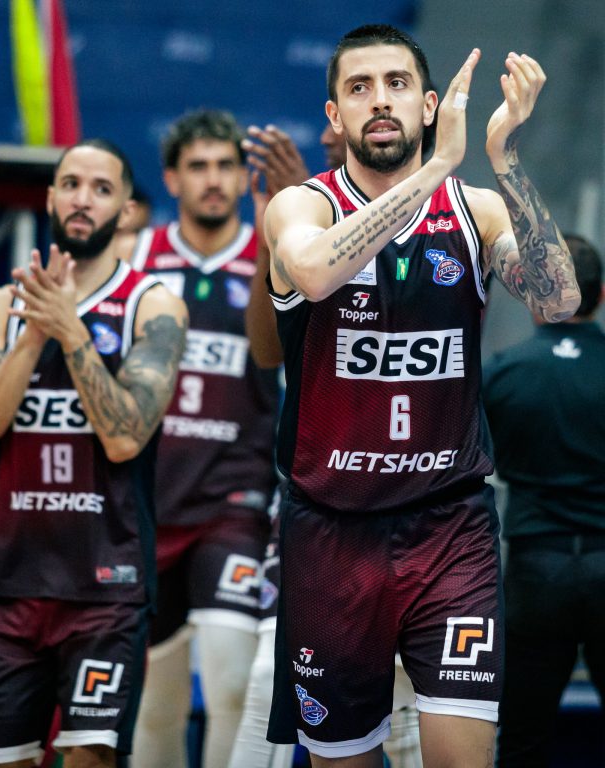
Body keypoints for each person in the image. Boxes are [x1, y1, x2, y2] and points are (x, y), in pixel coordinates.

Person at [262, 23, 580, 768]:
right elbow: (313, 274)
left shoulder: (475, 210)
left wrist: (503, 158)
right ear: (335, 114)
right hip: (332, 533)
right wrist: (435, 166)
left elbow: (560, 300)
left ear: (430, 104)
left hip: (450, 528)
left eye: (397, 84)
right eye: (360, 88)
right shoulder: (301, 207)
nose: (380, 101)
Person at [0, 138, 187, 768]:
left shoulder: (153, 305)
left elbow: (124, 437)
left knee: (89, 760)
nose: (84, 199)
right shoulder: (1, 307)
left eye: (102, 188)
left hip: (106, 588)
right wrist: (35, 333)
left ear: (128, 211)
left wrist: (70, 328)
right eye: (71, 184)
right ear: (51, 197)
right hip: (11, 585)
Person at [233, 123, 421, 768]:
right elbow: (266, 351)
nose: (334, 136)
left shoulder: (446, 216)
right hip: (321, 502)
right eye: (349, 98)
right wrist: (275, 240)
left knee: (409, 704)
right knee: (270, 682)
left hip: (420, 498)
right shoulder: (305, 213)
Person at [125, 109, 281, 768]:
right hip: (150, 503)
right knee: (153, 704)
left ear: (243, 177)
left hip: (235, 500)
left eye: (225, 166)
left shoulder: (273, 252)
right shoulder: (137, 257)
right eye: (198, 167)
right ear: (172, 179)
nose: (213, 180)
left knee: (232, 682)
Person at [482, 234, 605, 768]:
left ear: (533, 293)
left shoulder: (502, 371)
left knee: (522, 743)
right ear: (602, 294)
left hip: (535, 571)